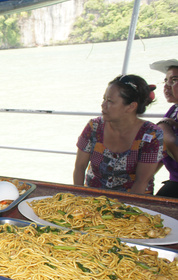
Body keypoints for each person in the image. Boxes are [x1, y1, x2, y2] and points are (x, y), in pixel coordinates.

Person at [73, 74, 163, 194]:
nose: (103, 105)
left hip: (133, 202)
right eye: (104, 99)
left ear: (131, 106)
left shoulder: (151, 135)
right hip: (92, 199)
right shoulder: (94, 127)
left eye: (110, 101)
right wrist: (79, 198)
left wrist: (124, 210)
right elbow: (80, 168)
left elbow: (142, 181)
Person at [150, 59, 178, 198]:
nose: (167, 86)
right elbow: (163, 151)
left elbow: (170, 142)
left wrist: (163, 126)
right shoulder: (173, 110)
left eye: (174, 80)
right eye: (166, 81)